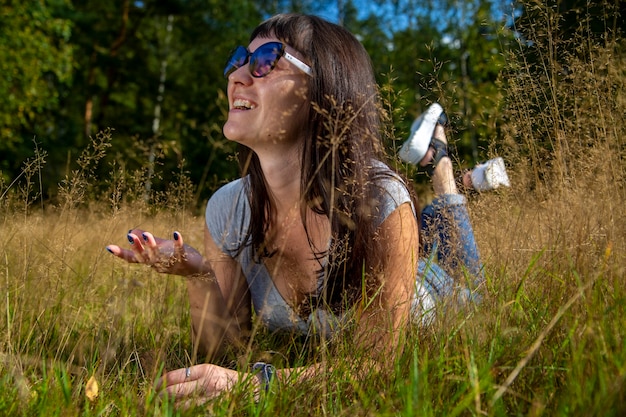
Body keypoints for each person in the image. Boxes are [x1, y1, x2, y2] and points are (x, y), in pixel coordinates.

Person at [106, 13, 489, 404]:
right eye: (240, 60)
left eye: (267, 60)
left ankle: (440, 163)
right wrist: (198, 273)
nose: (237, 75)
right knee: (432, 213)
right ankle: (439, 162)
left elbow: (378, 364)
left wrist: (257, 385)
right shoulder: (226, 208)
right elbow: (227, 348)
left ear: (323, 90)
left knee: (456, 239)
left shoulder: (381, 200)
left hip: (442, 289)